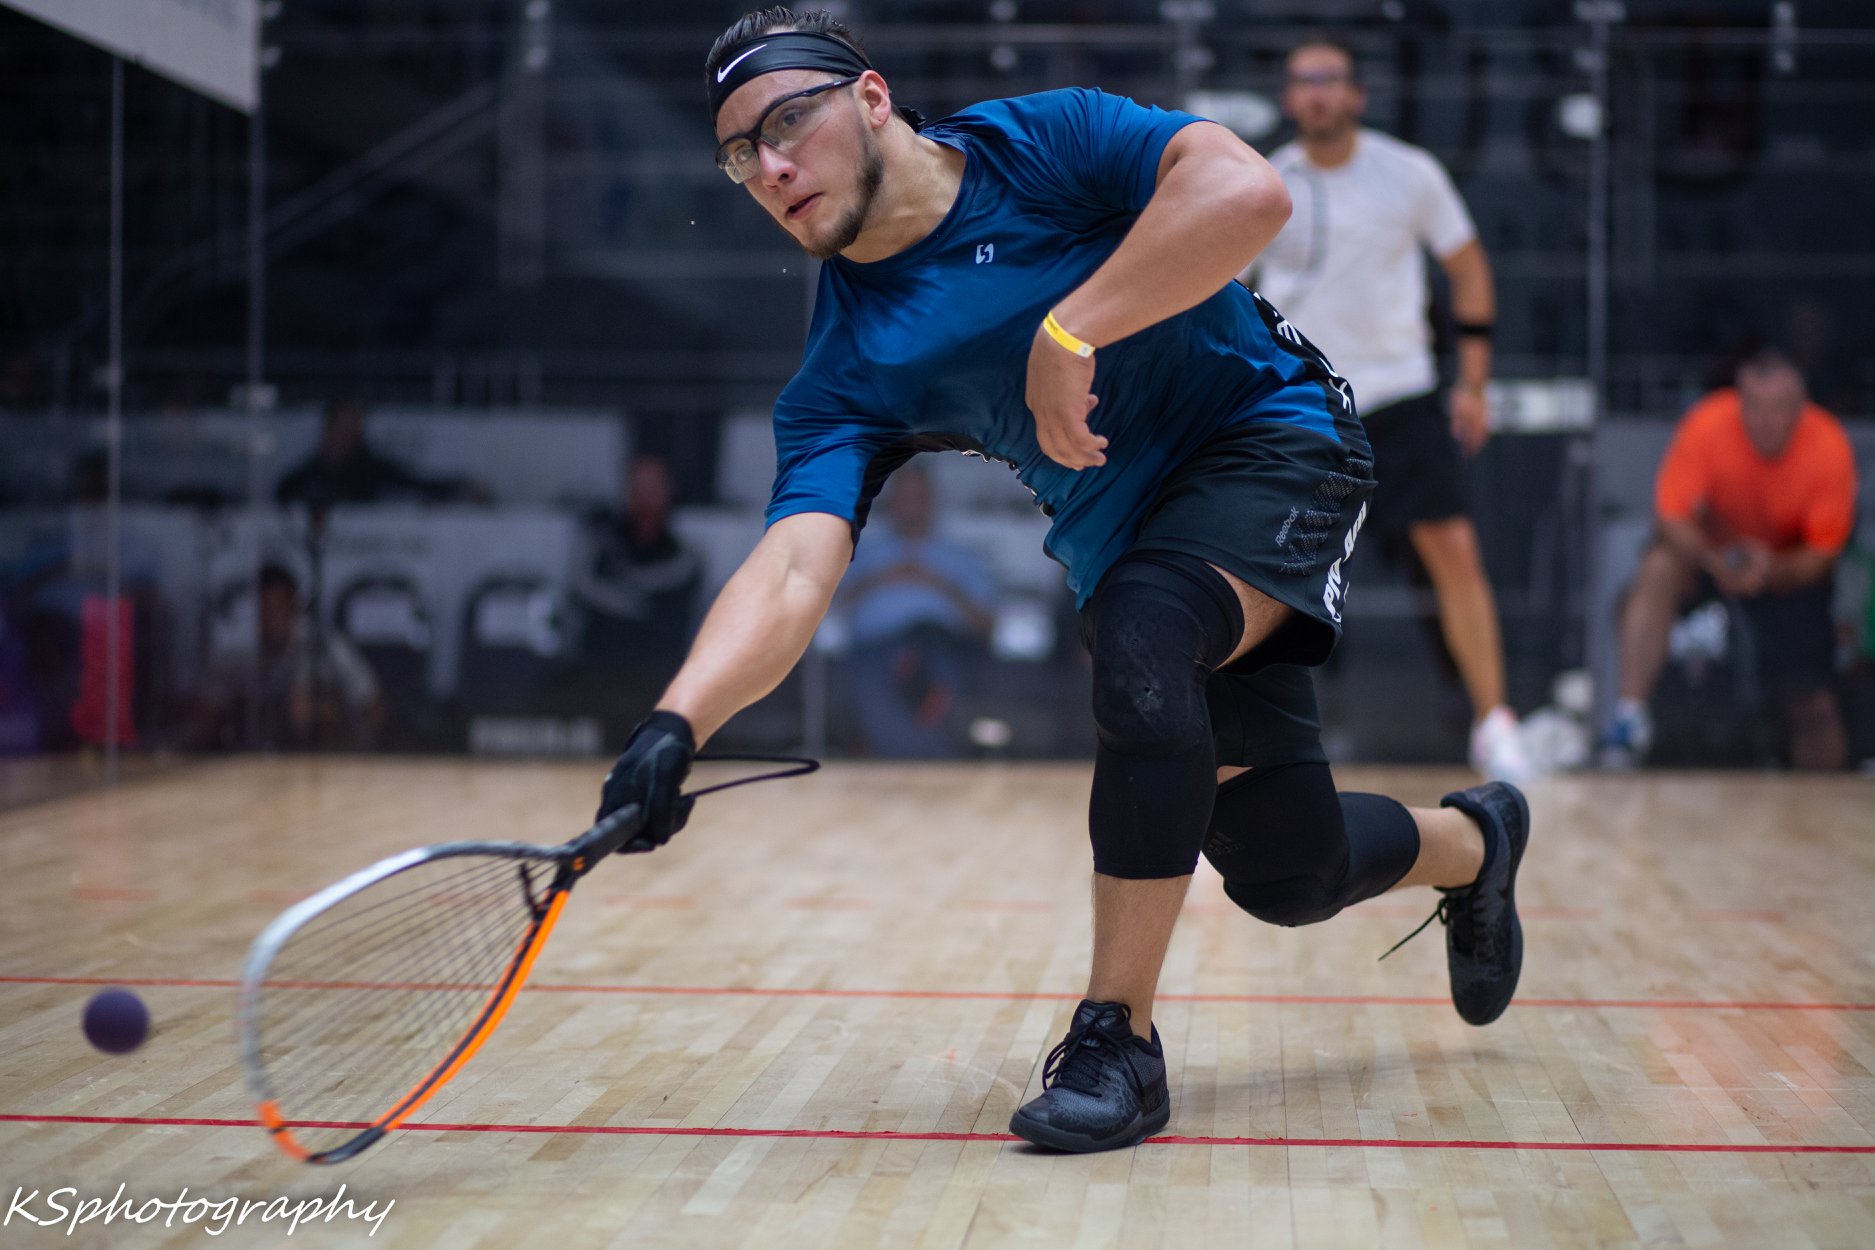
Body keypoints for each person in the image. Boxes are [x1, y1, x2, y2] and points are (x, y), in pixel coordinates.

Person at [595, 7, 1533, 1155]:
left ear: (872, 98)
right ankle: (1480, 841)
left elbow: (1249, 196)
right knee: (1289, 870)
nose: (772, 167)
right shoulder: (848, 364)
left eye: (789, 120)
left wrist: (1071, 328)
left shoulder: (1041, 144)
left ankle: (1116, 1041)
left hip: (1271, 436)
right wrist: (675, 725)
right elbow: (795, 565)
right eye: (742, 153)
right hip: (1136, 536)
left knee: (1142, 633)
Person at [1243, 38, 1531, 782]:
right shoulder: (1267, 181)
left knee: (1454, 554)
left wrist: (1471, 383)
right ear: (1287, 97)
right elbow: (1228, 293)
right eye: (1302, 81)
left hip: (1401, 394)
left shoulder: (1410, 173)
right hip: (1306, 403)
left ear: (1356, 94)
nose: (1316, 94)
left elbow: (1467, 269)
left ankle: (1494, 724)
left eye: (1329, 80)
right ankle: (1244, 736)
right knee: (1266, 570)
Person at [1602, 351, 1857, 770]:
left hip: (1787, 574)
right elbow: (1670, 517)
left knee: (1816, 705)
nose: (1765, 421)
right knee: (1658, 566)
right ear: (1739, 402)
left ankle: (1824, 804)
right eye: (1754, 406)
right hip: (1713, 559)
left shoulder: (1828, 444)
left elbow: (1822, 555)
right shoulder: (1708, 423)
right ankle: (1630, 716)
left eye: (1778, 409)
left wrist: (1773, 569)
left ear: (1801, 407)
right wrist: (1713, 558)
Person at [836, 462, 996, 756]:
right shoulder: (863, 554)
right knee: (876, 680)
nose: (911, 506)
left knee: (941, 673)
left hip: (942, 645)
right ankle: (902, 768)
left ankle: (932, 769)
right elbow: (832, 608)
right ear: (890, 503)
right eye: (904, 497)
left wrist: (938, 584)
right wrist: (885, 577)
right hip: (876, 649)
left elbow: (987, 627)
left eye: (918, 497)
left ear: (932, 501)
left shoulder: (962, 557)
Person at [188, 562, 384, 750]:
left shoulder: (324, 646)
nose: (270, 617)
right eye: (263, 608)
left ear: (294, 606)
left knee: (302, 704)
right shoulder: (237, 651)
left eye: (278, 607)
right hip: (250, 759)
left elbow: (375, 705)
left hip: (326, 757)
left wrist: (354, 750)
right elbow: (204, 714)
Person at [571, 454, 703, 719]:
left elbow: (669, 605)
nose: (645, 497)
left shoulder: (681, 553)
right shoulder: (606, 544)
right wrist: (634, 602)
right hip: (600, 669)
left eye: (652, 489)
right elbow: (582, 589)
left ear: (668, 493)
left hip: (658, 673)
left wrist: (626, 590)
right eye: (638, 488)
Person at [275, 399, 488, 507]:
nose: (346, 436)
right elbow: (282, 497)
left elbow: (417, 485)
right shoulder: (306, 477)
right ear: (327, 430)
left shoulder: (374, 471)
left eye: (353, 429)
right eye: (341, 428)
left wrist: (461, 487)